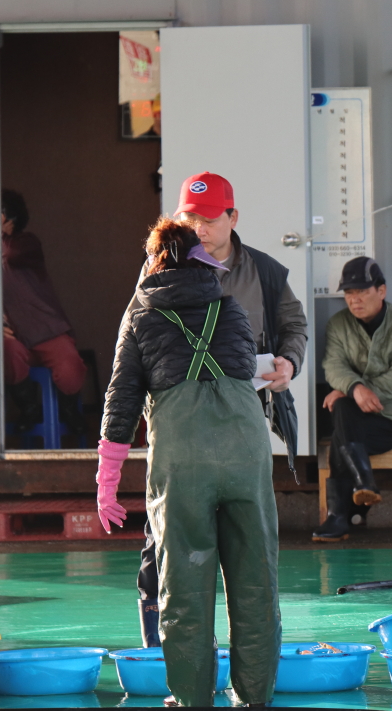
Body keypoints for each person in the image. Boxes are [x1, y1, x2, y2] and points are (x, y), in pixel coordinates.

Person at [97, 216, 280, 707]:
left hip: (184, 466)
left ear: (153, 263)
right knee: (256, 579)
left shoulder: (140, 316)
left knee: (185, 582)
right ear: (201, 262)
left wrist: (107, 481)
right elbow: (245, 370)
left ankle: (193, 697)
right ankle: (255, 697)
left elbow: (122, 401)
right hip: (245, 455)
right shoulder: (233, 309)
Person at [128, 172, 308, 648]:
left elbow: (294, 324)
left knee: (248, 546)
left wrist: (289, 361)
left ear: (233, 217)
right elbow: (132, 335)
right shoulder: (157, 268)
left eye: (209, 218)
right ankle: (158, 647)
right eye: (190, 217)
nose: (200, 228)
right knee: (162, 539)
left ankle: (244, 659)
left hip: (242, 421)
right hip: (181, 428)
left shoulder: (265, 272)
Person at [314, 257, 392, 543]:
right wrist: (353, 388)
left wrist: (356, 390)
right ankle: (363, 483)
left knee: (341, 428)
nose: (355, 300)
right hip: (354, 419)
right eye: (349, 293)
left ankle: (338, 518)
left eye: (362, 291)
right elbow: (333, 366)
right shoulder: (338, 324)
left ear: (382, 291)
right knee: (343, 409)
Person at [0, 189, 87, 436]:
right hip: (14, 335)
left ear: (9, 216)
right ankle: (29, 409)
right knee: (7, 354)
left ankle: (69, 410)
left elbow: (10, 253)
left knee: (70, 368)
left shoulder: (26, 242)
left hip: (45, 329)